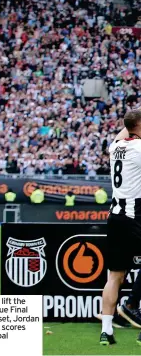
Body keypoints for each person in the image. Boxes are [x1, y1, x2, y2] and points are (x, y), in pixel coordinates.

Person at [100, 109, 141, 346]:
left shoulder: (115, 147)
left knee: (114, 276)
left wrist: (131, 122)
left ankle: (106, 331)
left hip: (115, 217)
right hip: (135, 216)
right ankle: (132, 305)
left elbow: (123, 131)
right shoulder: (138, 149)